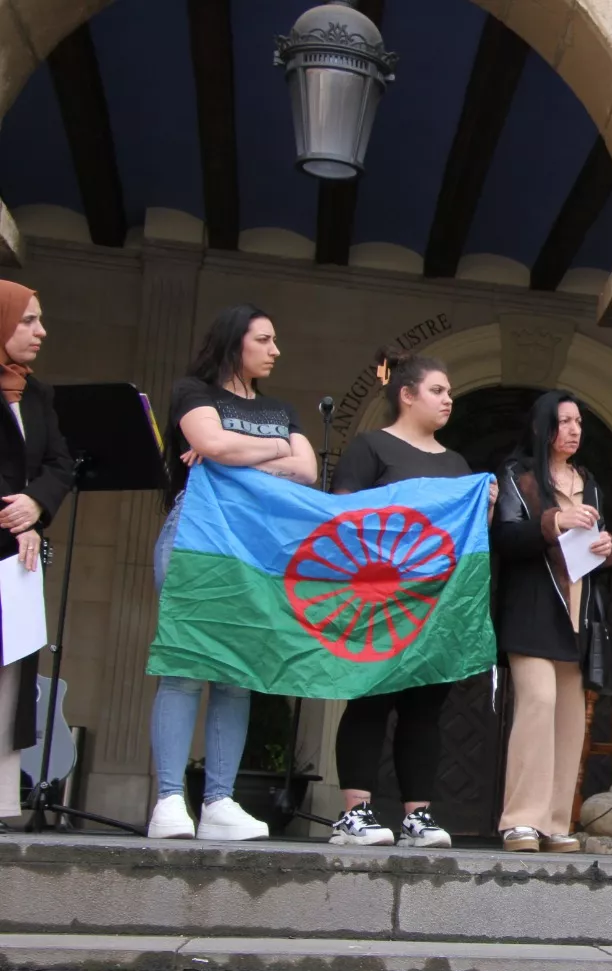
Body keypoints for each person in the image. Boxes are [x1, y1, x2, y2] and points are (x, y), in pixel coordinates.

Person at [146, 305, 318, 840]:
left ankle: (219, 801)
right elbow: (212, 443)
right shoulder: (193, 392)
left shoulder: (279, 408)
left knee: (237, 676)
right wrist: (270, 451)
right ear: (234, 343)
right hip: (197, 538)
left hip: (254, 548)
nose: (275, 350)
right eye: (264, 340)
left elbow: (307, 470)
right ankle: (170, 799)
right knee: (185, 666)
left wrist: (234, 453)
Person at [327, 352, 493, 848]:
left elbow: (466, 541)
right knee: (371, 701)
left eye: (449, 392)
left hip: (436, 604)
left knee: (426, 708)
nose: (449, 399)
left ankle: (417, 816)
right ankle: (355, 813)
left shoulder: (457, 463)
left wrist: (481, 511)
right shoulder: (370, 447)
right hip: (379, 598)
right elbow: (342, 515)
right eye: (438, 390)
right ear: (407, 394)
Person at [494, 389, 612, 853]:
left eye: (579, 423)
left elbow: (597, 545)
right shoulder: (518, 476)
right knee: (539, 703)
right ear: (545, 427)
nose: (574, 431)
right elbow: (505, 537)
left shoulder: (590, 481)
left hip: (577, 611)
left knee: (571, 718)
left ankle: (554, 820)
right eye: (565, 422)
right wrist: (555, 522)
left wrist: (609, 549)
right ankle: (519, 819)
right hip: (530, 608)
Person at [0, 281, 72, 825]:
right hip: (9, 536)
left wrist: (36, 508)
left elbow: (59, 465)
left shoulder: (39, 395)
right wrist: (13, 513)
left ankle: (1, 799)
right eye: (27, 320)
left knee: (13, 678)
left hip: (18, 558)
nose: (40, 331)